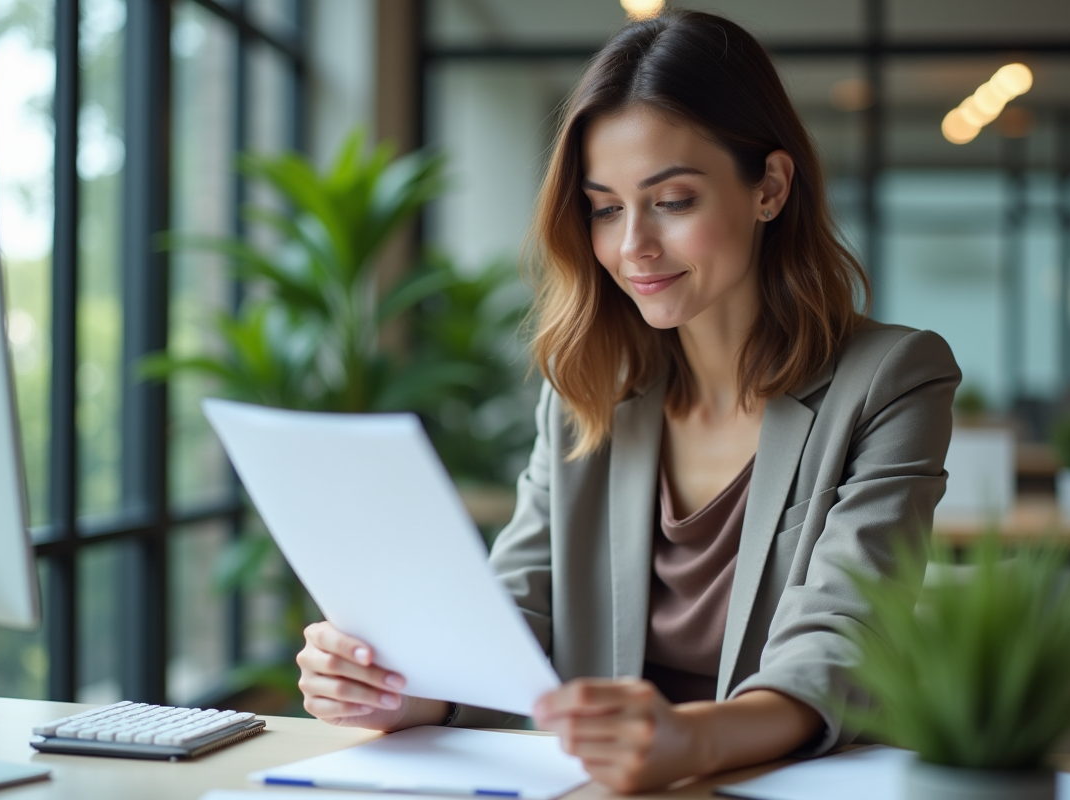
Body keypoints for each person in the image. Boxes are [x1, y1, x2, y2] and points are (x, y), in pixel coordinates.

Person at [295, 8, 960, 793]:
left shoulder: (892, 377)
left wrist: (691, 740)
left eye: (672, 200)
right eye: (605, 208)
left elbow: (844, 639)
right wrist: (407, 691)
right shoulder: (590, 386)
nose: (633, 246)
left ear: (770, 188)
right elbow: (521, 608)